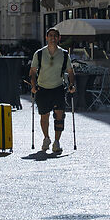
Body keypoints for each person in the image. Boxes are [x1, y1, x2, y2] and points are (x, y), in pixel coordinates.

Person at [29, 24, 74, 156]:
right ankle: (46, 138)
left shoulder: (64, 54)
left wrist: (71, 84)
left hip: (58, 88)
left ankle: (57, 141)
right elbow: (32, 71)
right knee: (44, 116)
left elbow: (70, 71)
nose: (53, 38)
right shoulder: (39, 53)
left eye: (55, 36)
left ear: (59, 38)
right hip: (42, 88)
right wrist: (33, 85)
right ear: (46, 37)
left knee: (60, 116)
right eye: (50, 36)